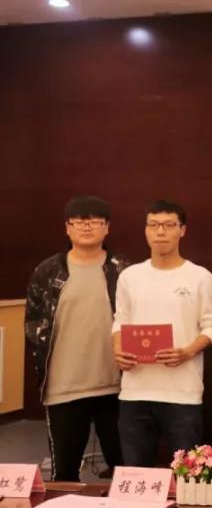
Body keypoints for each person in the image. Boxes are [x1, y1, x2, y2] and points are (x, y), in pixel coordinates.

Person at [112, 200, 212, 467]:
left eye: (168, 225)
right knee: (137, 473)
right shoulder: (129, 276)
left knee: (185, 475)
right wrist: (118, 349)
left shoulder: (200, 277)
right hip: (135, 392)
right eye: (153, 225)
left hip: (182, 393)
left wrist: (188, 351)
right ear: (146, 230)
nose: (160, 231)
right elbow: (120, 321)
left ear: (182, 230)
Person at [25, 195, 125, 481]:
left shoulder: (124, 271)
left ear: (107, 227)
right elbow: (33, 326)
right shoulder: (47, 272)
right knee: (65, 476)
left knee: (127, 473)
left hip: (118, 385)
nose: (87, 226)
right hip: (63, 386)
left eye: (95, 221)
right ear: (67, 228)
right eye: (79, 221)